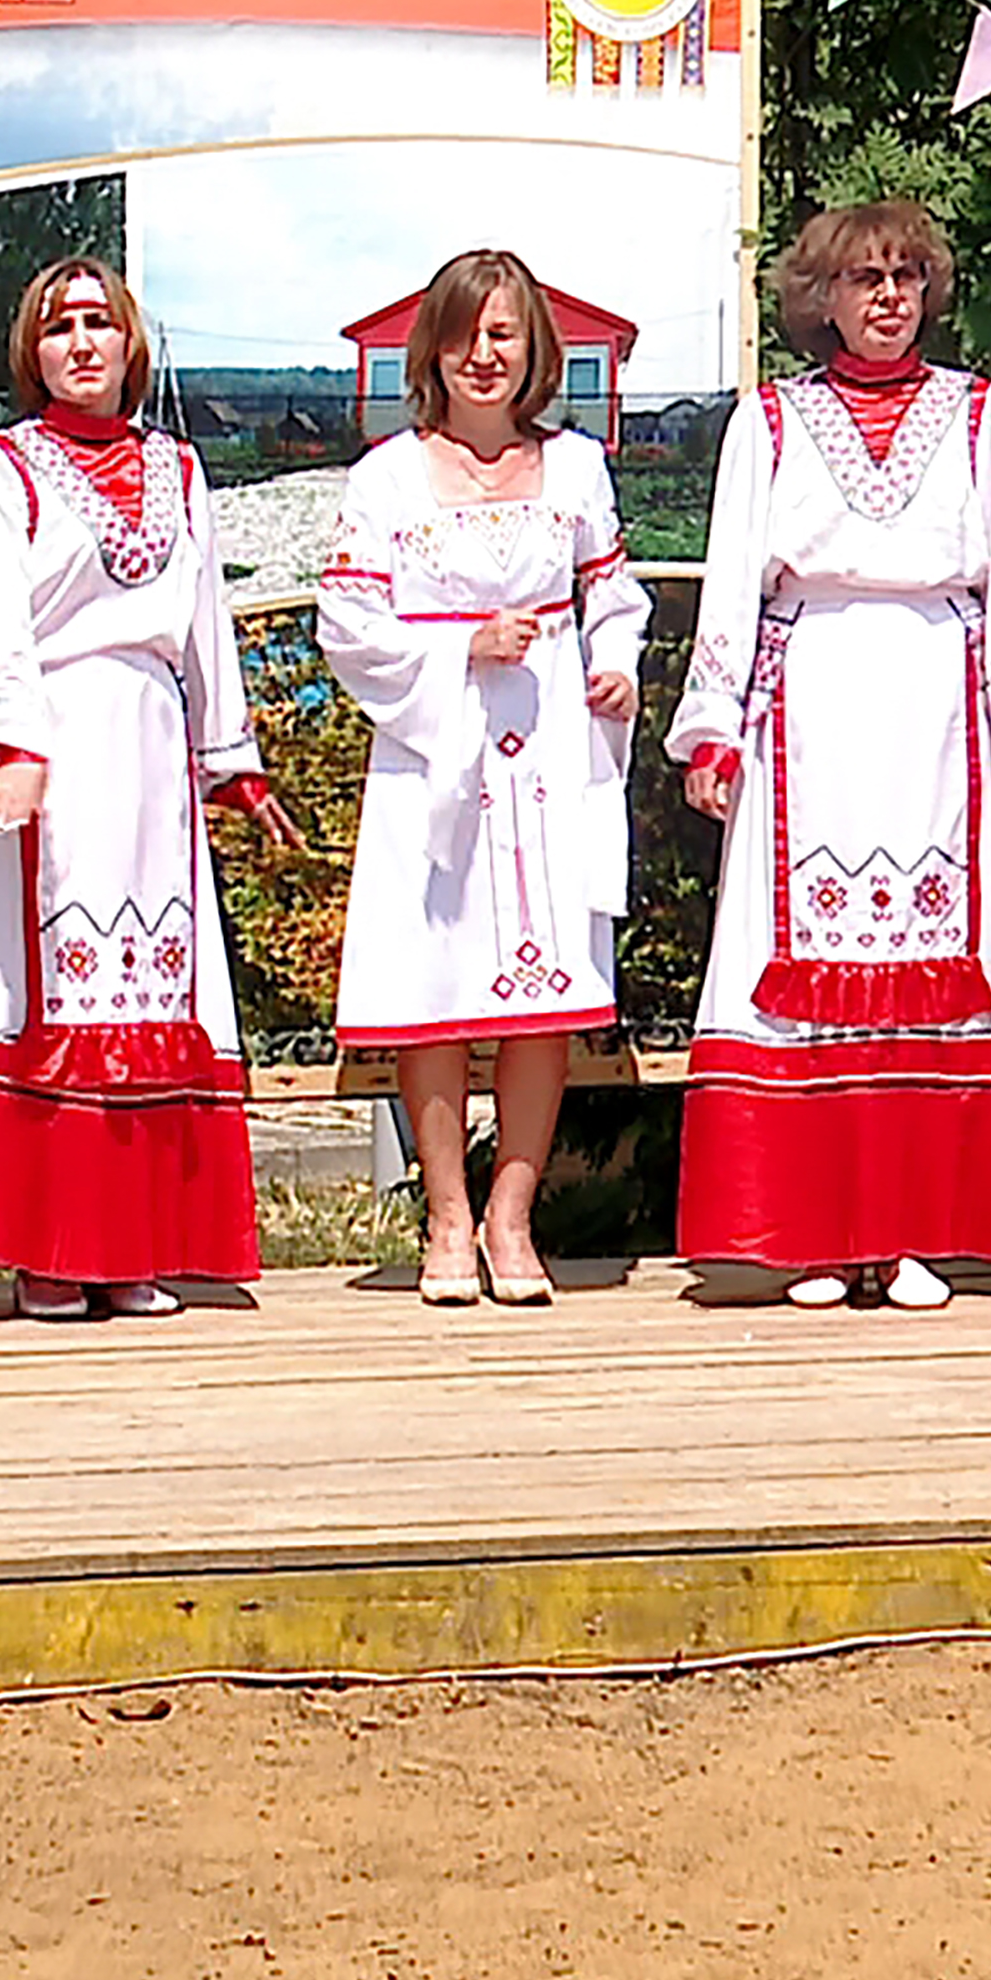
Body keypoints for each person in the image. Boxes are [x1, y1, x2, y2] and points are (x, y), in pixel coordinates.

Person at [671, 202, 991, 1309]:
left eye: (903, 276)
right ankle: (811, 1231)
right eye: (862, 278)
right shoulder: (771, 420)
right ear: (823, 297)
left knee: (935, 957)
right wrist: (711, 724)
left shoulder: (981, 413)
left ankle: (910, 1234)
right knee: (795, 956)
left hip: (940, 695)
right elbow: (730, 575)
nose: (886, 297)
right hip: (809, 697)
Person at [0, 259, 304, 1319]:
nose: (81, 343)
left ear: (130, 343)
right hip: (47, 739)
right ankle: (44, 1248)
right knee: (44, 984)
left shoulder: (176, 467)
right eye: (58, 326)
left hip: (151, 744)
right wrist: (13, 745)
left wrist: (232, 760)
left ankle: (128, 1243)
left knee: (144, 981)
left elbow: (202, 614)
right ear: (30, 351)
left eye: (99, 324)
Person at [319, 250, 650, 1307]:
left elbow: (616, 593)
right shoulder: (384, 476)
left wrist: (614, 665)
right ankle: (446, 1217)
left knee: (540, 990)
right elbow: (346, 626)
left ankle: (514, 1219)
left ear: (532, 349)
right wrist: (459, 647)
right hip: (435, 756)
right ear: (433, 348)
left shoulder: (576, 469)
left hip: (548, 744)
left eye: (502, 333)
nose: (482, 354)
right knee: (436, 990)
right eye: (463, 333)